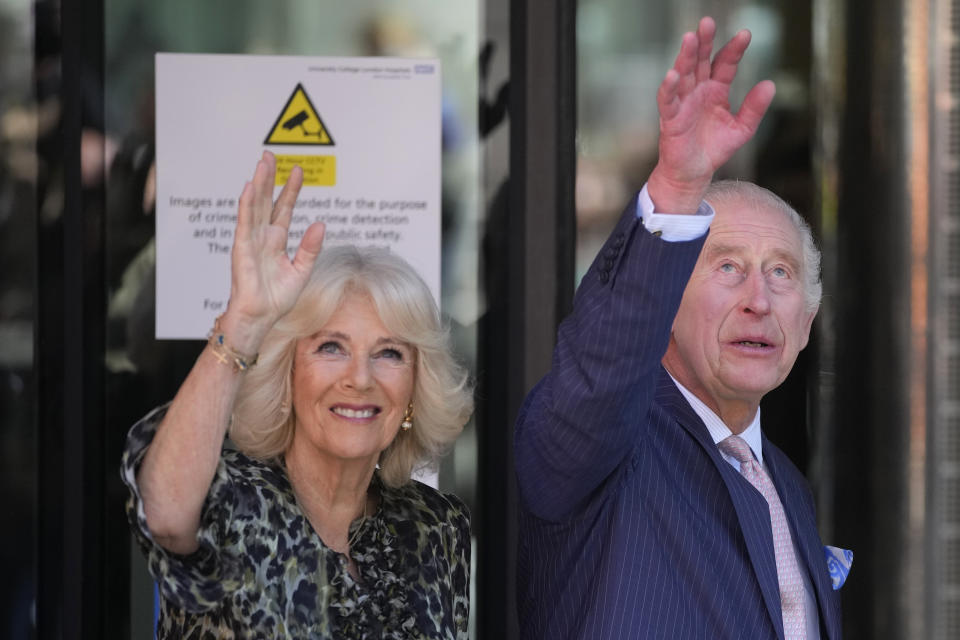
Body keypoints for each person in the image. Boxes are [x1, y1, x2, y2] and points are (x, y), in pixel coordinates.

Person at [515, 17, 846, 639]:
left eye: (781, 273)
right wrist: (676, 189)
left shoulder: (786, 485)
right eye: (727, 267)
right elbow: (603, 363)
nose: (758, 300)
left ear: (807, 324)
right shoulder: (604, 448)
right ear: (666, 298)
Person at [121, 151, 474, 638]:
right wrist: (241, 325)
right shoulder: (233, 502)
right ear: (287, 375)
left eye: (389, 353)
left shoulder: (438, 528)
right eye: (331, 347)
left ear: (415, 388)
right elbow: (164, 515)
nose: (360, 377)